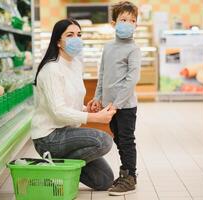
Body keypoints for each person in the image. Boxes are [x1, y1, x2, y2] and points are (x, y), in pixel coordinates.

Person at [31, 18, 116, 191]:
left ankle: (57, 166)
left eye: (79, 34)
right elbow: (58, 112)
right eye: (70, 35)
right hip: (49, 137)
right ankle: (55, 171)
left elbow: (69, 103)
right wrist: (94, 118)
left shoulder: (75, 64)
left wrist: (86, 108)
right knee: (104, 141)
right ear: (58, 42)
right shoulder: (51, 69)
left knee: (105, 180)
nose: (76, 39)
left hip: (68, 133)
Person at [88, 1, 141, 196]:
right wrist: (97, 98)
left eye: (132, 20)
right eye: (123, 19)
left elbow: (131, 79)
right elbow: (102, 74)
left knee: (127, 140)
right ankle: (126, 172)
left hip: (125, 106)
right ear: (114, 23)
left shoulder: (133, 49)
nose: (128, 23)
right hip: (110, 106)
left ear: (137, 25)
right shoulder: (108, 47)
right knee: (118, 139)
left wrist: (116, 105)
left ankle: (130, 177)